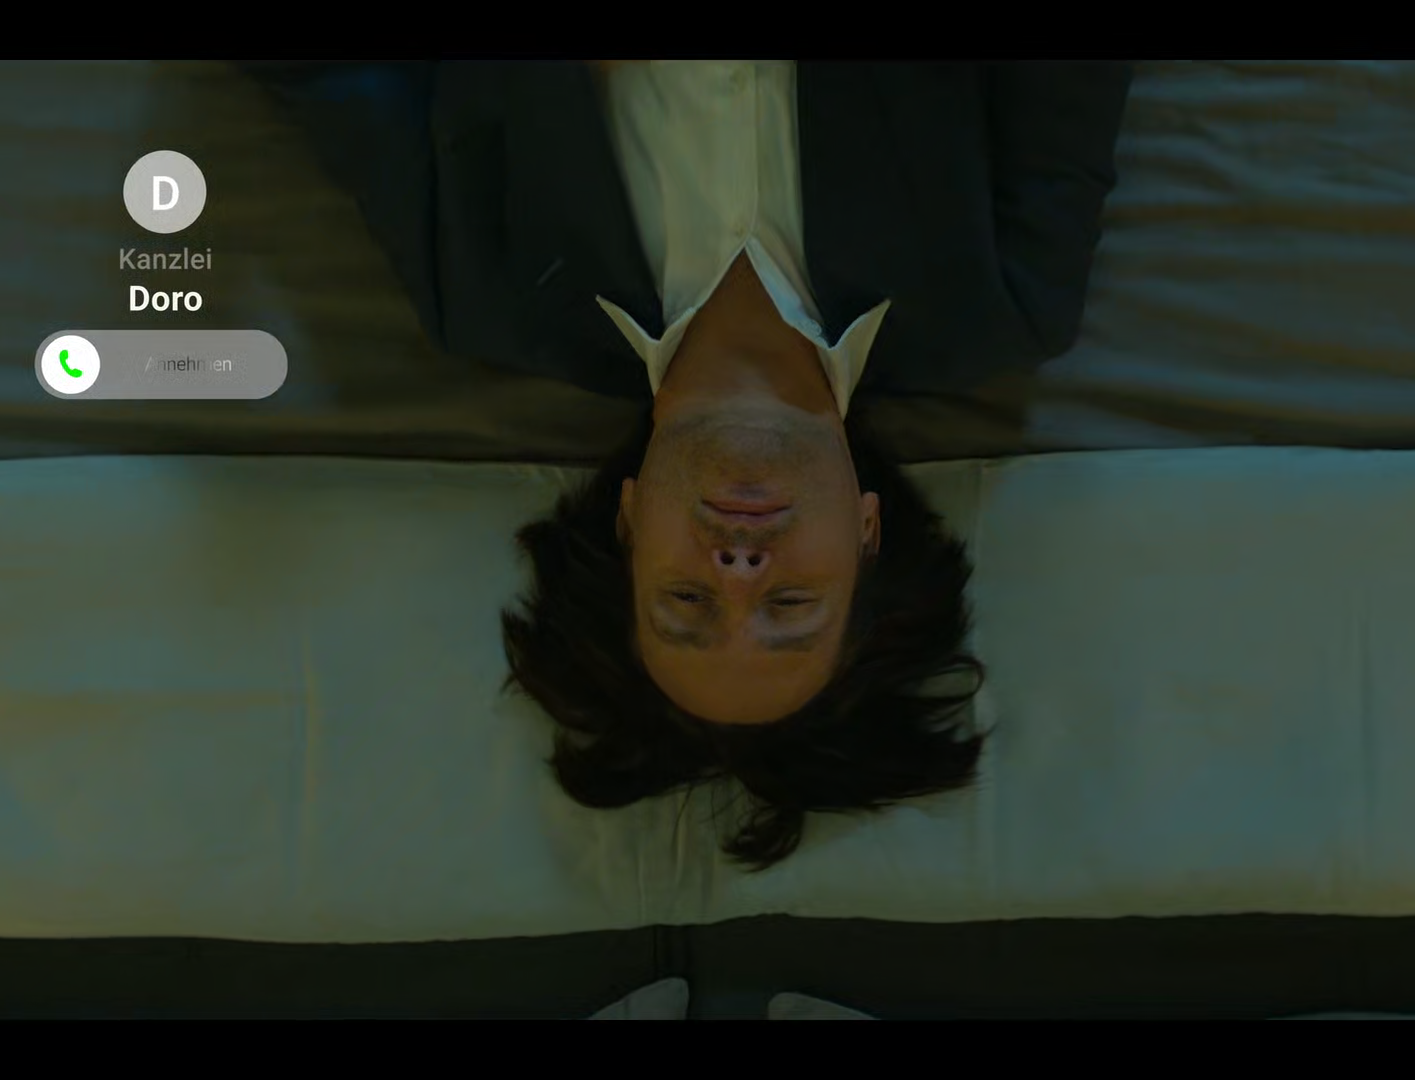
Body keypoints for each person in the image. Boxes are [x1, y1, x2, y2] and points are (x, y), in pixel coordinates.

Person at [249, 61, 1134, 868]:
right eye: (791, 604)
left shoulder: (484, 292)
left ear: (629, 525)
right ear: (868, 533)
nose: (740, 572)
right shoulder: (1001, 301)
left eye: (687, 601)